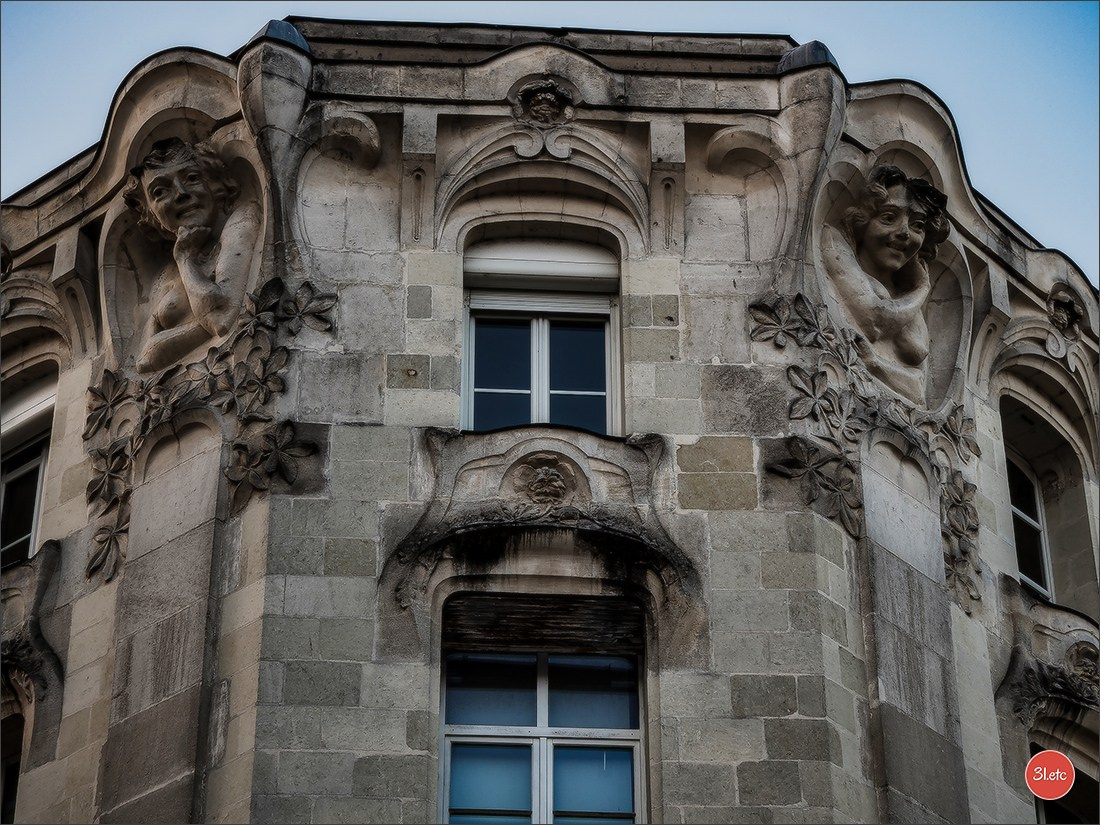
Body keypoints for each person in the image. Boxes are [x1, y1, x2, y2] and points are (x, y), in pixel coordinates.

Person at [124, 137, 261, 372]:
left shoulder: (242, 220)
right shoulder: (165, 277)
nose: (181, 193)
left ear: (213, 182)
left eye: (192, 178)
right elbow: (145, 359)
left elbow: (221, 318)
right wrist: (202, 324)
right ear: (151, 213)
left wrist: (185, 260)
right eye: (160, 191)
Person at [821, 165, 949, 405]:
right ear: (863, 219)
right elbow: (873, 322)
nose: (904, 233)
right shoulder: (834, 242)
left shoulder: (903, 293)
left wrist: (876, 364)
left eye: (917, 226)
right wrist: (922, 289)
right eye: (889, 218)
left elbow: (919, 387)